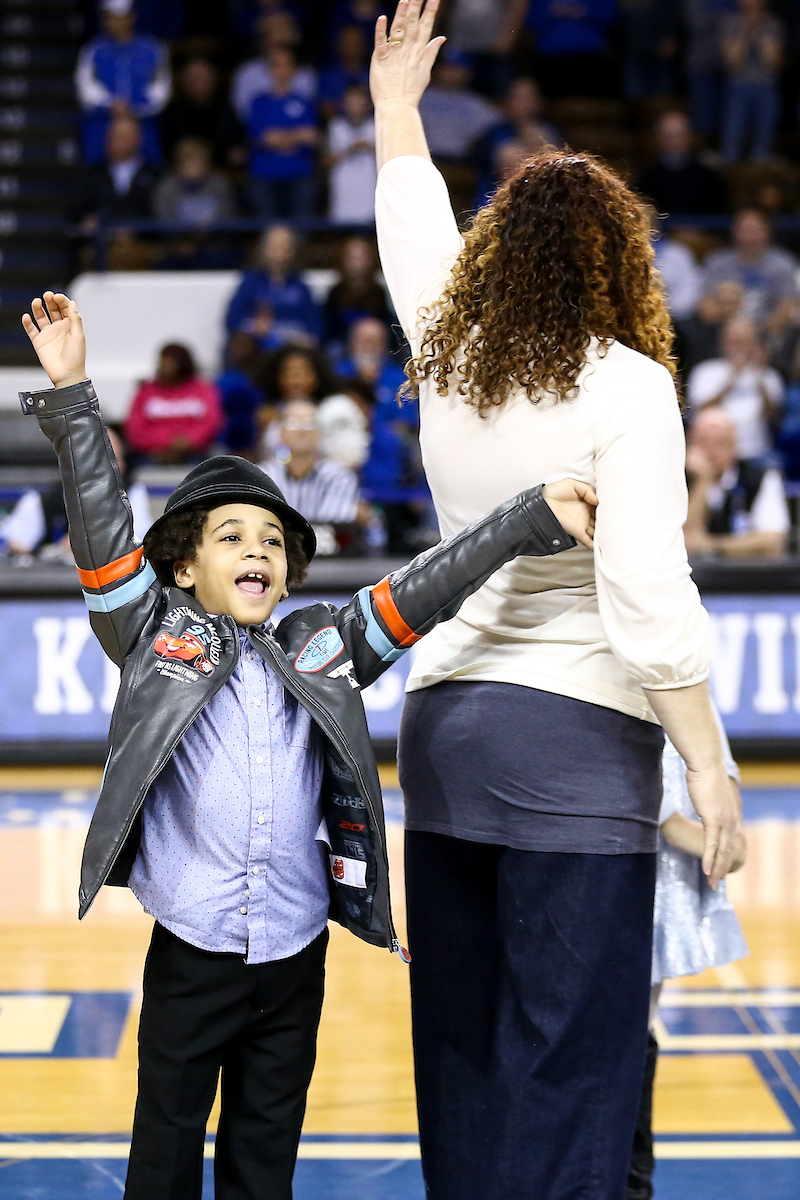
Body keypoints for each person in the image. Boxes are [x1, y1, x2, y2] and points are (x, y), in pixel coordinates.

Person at [20, 287, 596, 1200]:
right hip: (192, 954)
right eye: (231, 536)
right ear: (184, 567)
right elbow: (97, 524)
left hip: (295, 958)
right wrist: (74, 396)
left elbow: (429, 583)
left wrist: (529, 517)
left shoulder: (321, 647)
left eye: (275, 542)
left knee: (265, 1156)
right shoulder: (151, 638)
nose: (259, 551)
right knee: (163, 1154)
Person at [370, 5, 742, 1200]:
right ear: (616, 258)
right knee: (572, 1067)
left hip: (442, 738)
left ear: (499, 250)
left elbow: (409, 234)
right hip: (575, 740)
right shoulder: (625, 383)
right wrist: (709, 766)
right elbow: (641, 594)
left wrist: (392, 110)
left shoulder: (445, 348)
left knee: (465, 1054)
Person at [627, 722, 747, 1200]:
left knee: (637, 1027)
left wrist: (727, 808)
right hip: (620, 838)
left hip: (664, 856)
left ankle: (631, 1185)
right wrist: (675, 824)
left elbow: (705, 716)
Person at [1, 428, 151, 557]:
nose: (119, 467)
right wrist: (55, 550)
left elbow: (138, 539)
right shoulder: (43, 500)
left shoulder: (132, 493)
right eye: (107, 460)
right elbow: (12, 543)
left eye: (119, 459)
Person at [683, 406, 789, 557]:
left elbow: (773, 540)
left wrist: (713, 546)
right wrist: (702, 483)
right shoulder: (679, 479)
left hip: (746, 576)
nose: (710, 451)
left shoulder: (760, 477)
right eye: (703, 442)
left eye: (720, 443)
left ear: (734, 446)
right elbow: (685, 542)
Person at [260, 399, 364, 554]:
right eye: (293, 423)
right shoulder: (263, 475)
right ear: (281, 432)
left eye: (309, 423)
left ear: (319, 432)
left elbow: (331, 524)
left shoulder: (340, 477)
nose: (302, 430)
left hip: (328, 563)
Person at [75, 0, 170, 166]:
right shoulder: (93, 49)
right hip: (103, 121)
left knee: (152, 156)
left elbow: (161, 89)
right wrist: (111, 105)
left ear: (131, 17)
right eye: (110, 18)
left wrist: (133, 109)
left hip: (142, 121)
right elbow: (85, 88)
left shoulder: (154, 48)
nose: (115, 22)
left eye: (120, 17)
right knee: (93, 153)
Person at [686, 316, 784, 461]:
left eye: (745, 342)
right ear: (723, 342)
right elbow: (699, 412)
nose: (739, 347)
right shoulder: (706, 370)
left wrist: (759, 377)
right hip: (713, 454)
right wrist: (730, 381)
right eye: (734, 341)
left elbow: (774, 418)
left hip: (755, 452)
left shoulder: (768, 375)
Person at [246, 45, 319, 220]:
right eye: (277, 65)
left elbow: (311, 136)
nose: (282, 70)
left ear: (294, 70)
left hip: (299, 174)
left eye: (286, 65)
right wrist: (295, 137)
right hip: (265, 175)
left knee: (302, 226)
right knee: (267, 227)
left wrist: (278, 137)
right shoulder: (259, 102)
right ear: (269, 70)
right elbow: (262, 137)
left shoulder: (304, 101)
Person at [701, 208, 800, 331]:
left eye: (755, 230)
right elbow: (705, 307)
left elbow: (787, 307)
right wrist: (733, 326)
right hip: (723, 330)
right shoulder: (717, 262)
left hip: (769, 333)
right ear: (735, 231)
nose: (750, 236)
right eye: (745, 230)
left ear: (768, 232)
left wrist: (757, 331)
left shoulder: (783, 264)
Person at [124, 343, 224, 464]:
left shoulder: (203, 390)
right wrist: (166, 443)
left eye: (171, 362)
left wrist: (188, 442)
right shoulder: (146, 391)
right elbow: (135, 429)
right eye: (163, 361)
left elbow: (211, 423)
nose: (165, 366)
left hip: (194, 453)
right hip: (151, 454)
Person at [225, 225, 321, 345]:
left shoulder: (300, 286)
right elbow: (232, 320)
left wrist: (304, 337)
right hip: (257, 345)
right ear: (264, 250)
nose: (279, 256)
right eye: (274, 248)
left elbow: (314, 324)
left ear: (292, 252)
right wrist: (253, 327)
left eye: (284, 249)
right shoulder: (250, 283)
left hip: (291, 347)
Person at [720, 0, 783, 163]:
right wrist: (747, 31)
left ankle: (760, 167)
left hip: (766, 86)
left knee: (763, 138)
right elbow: (732, 62)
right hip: (738, 86)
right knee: (733, 135)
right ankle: (730, 166)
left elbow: (773, 62)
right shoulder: (731, 22)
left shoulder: (772, 23)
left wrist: (758, 31)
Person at [159, 58, 247, 170]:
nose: (199, 85)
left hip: (219, 170)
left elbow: (236, 146)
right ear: (183, 81)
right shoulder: (172, 112)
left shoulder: (226, 110)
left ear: (214, 80)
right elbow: (167, 150)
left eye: (204, 79)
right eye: (194, 80)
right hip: (181, 171)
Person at [637, 110, 728, 217]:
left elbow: (718, 214)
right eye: (669, 136)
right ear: (659, 138)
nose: (675, 142)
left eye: (679, 135)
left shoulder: (708, 176)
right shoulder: (648, 177)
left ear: (690, 136)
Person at [418, 47, 499, 162]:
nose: (450, 72)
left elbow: (496, 125)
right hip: (425, 156)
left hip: (460, 160)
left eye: (456, 68)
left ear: (467, 72)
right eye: (446, 67)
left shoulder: (475, 103)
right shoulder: (421, 97)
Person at [231, 15, 317, 122]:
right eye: (275, 39)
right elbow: (243, 111)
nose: (280, 44)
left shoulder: (305, 72)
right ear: (265, 39)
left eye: (285, 41)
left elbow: (308, 111)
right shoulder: (247, 71)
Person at [322, 236, 390, 349]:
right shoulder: (336, 292)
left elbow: (385, 326)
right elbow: (329, 329)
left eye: (362, 257)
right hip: (343, 344)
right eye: (352, 257)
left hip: (373, 342)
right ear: (343, 260)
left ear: (371, 260)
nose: (357, 263)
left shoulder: (378, 292)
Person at [326, 84, 377, 225]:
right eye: (351, 102)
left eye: (359, 102)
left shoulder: (376, 126)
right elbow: (325, 161)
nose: (355, 106)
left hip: (369, 186)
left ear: (366, 104)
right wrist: (350, 149)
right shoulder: (335, 127)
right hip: (344, 186)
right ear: (344, 104)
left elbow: (389, 161)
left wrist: (370, 147)